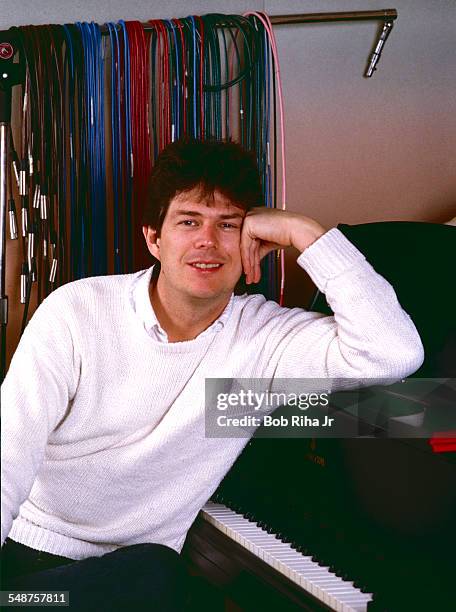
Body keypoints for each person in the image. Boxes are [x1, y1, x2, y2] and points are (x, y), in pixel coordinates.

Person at [0, 138, 424, 610]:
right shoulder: (77, 312)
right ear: (153, 239)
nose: (208, 241)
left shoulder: (266, 337)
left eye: (229, 225)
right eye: (188, 222)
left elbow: (394, 355)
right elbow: (7, 453)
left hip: (137, 577)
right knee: (159, 578)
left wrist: (306, 233)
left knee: (159, 575)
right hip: (33, 579)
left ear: (254, 240)